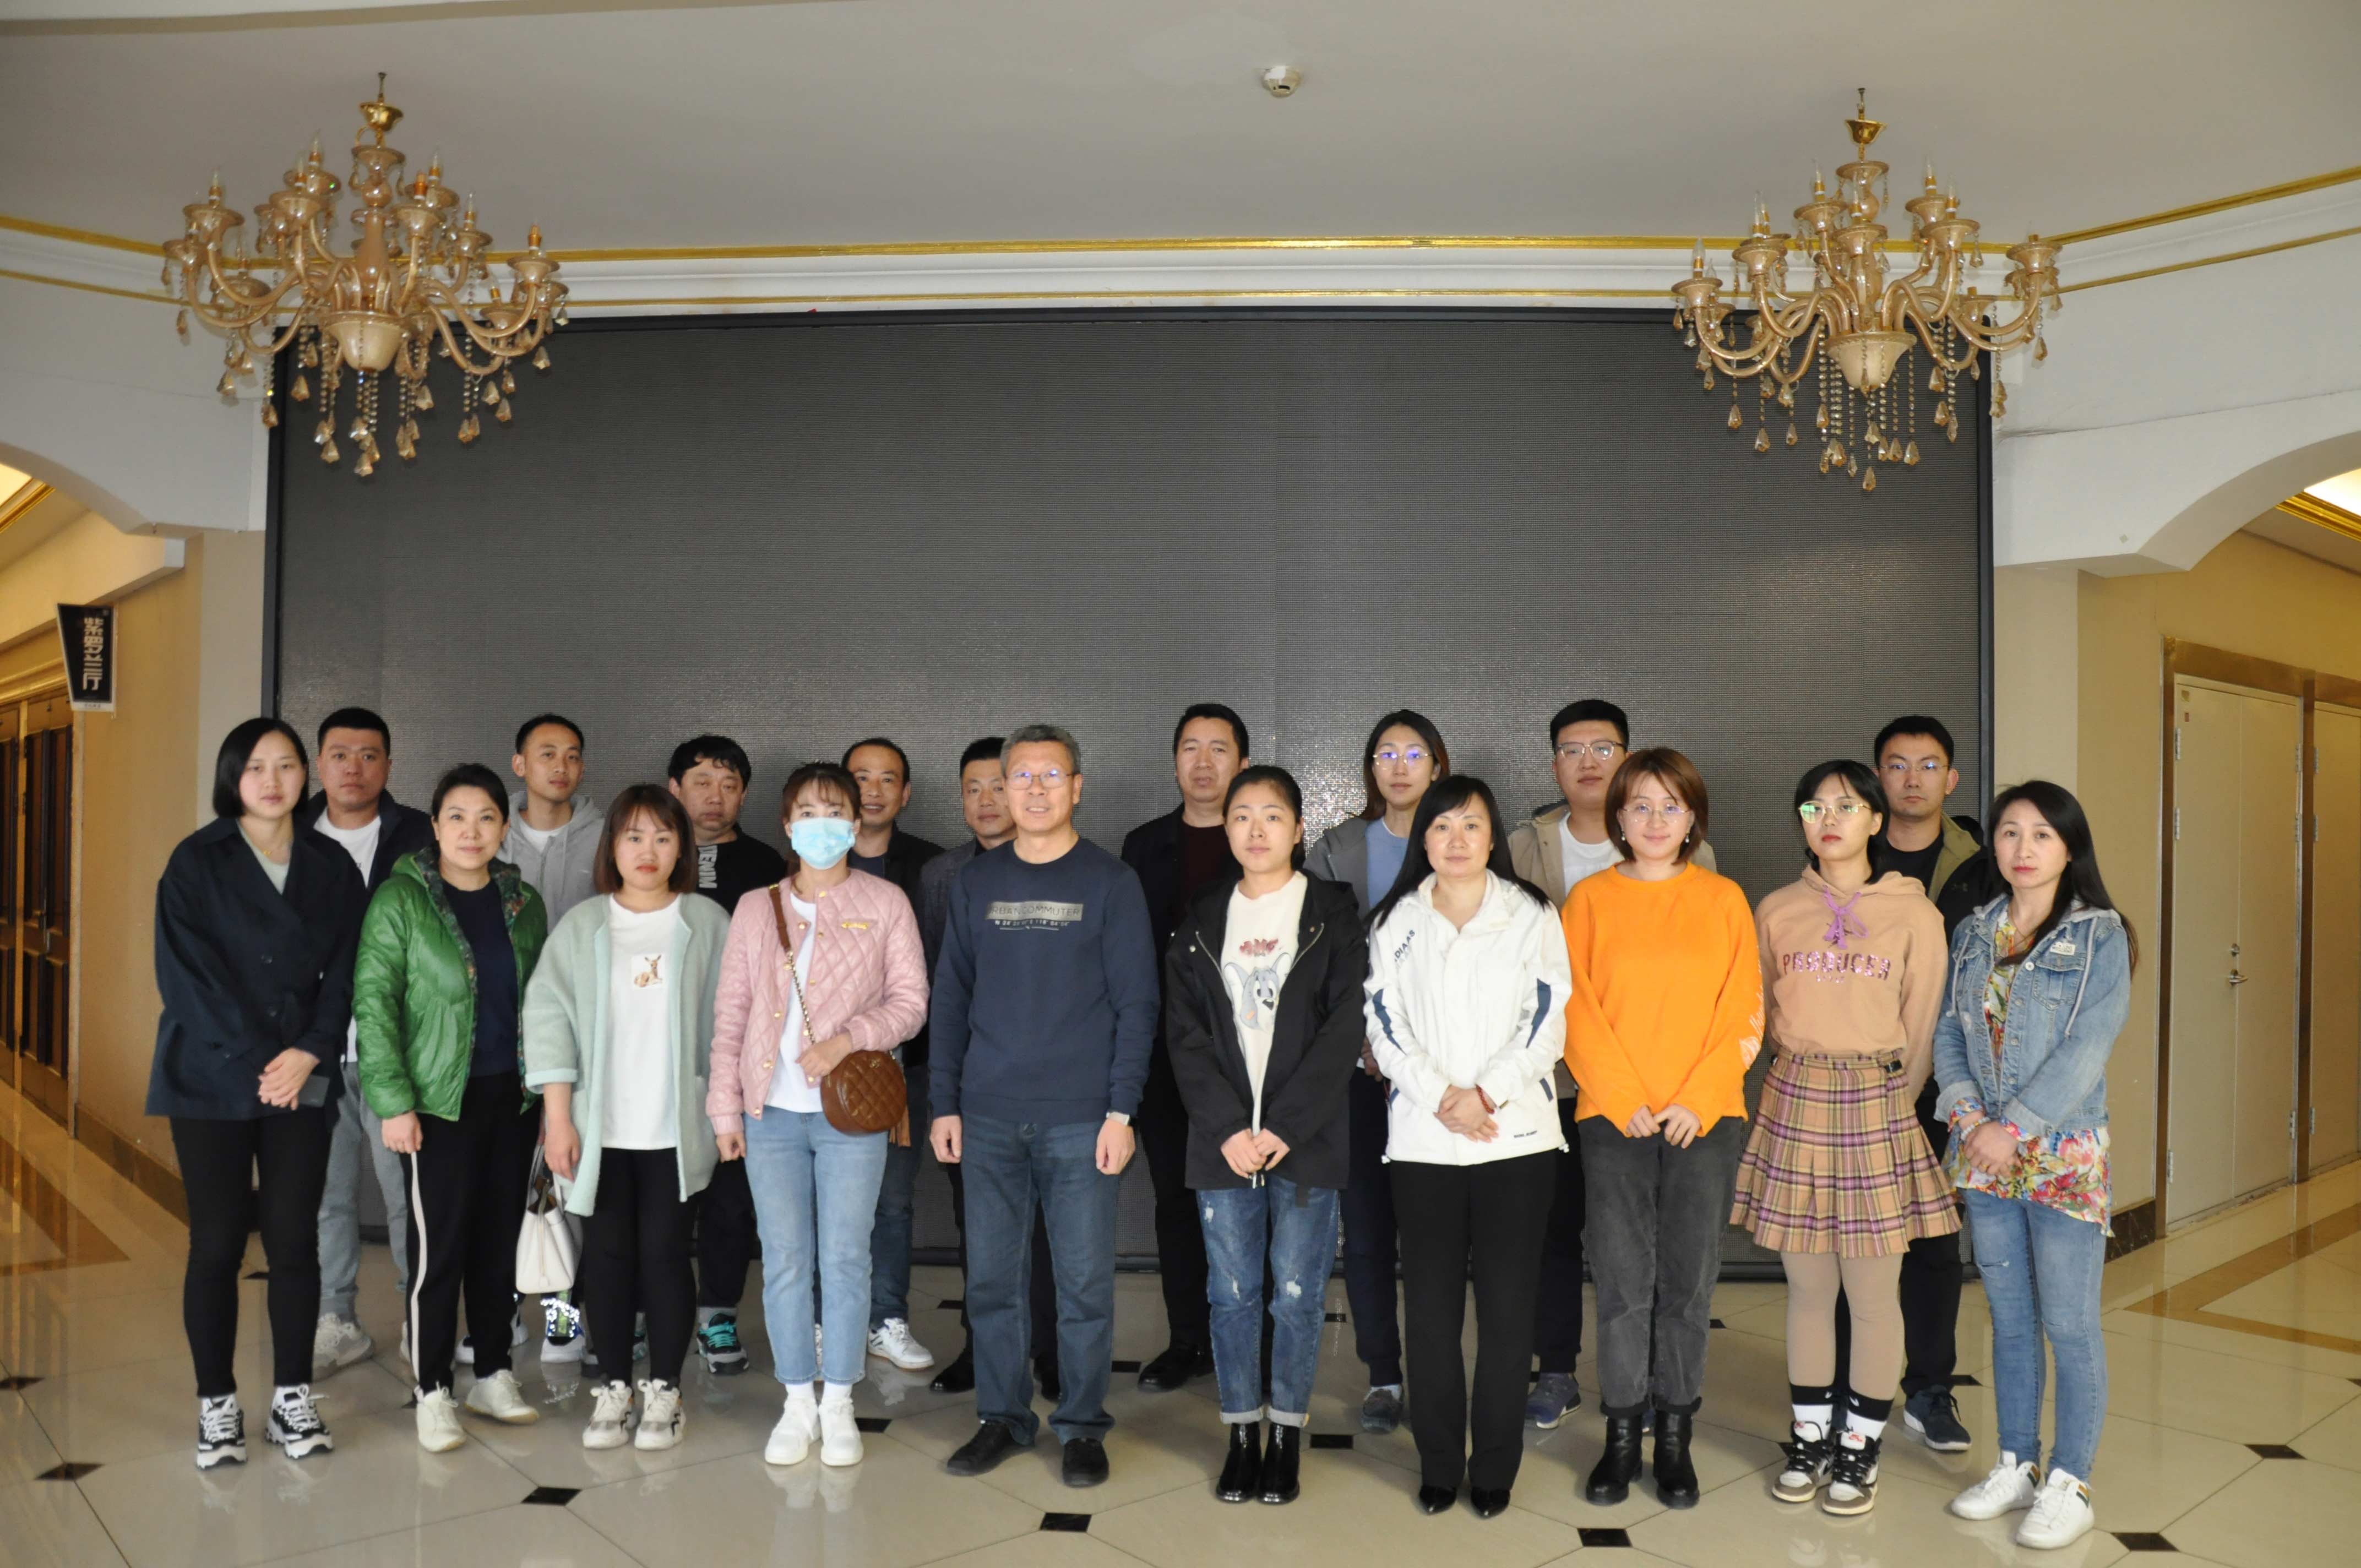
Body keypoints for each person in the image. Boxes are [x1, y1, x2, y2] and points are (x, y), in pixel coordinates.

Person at [931, 725, 1157, 1489]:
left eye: (1050, 775)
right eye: (1019, 775)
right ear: (1003, 788)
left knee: (1083, 1285)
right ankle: (1002, 1416)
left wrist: (1122, 1112)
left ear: (1077, 787)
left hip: (1081, 1118)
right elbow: (951, 1000)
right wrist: (945, 1104)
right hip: (987, 1114)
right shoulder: (976, 883)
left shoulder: (1111, 882)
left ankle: (1083, 1425)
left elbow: (1137, 1005)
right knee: (992, 1282)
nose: (1032, 789)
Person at [1732, 760, 1956, 1517]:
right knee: (1807, 1289)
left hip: (1877, 1102)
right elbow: (1761, 1015)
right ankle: (1809, 1438)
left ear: (1874, 820)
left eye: (1847, 806)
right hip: (1796, 1096)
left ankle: (1860, 1447)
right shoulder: (1776, 909)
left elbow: (1922, 1027)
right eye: (1814, 808)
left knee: (1871, 1294)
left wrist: (1889, 1103)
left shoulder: (1913, 915)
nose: (1829, 820)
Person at [149, 718, 367, 1469]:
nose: (272, 781)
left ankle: (291, 1396)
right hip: (210, 1075)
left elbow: (348, 971)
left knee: (293, 1238)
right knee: (215, 1243)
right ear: (232, 778)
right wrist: (264, 1057)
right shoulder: (196, 861)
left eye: (286, 765)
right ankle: (216, 1402)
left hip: (302, 1073)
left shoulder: (331, 865)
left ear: (305, 776)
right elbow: (186, 979)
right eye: (255, 767)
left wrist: (310, 1050)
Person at [1503, 699, 1720, 1431]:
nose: (1589, 762)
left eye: (1604, 748)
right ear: (1554, 765)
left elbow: (1716, 985)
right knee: (1557, 1229)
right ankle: (1557, 1369)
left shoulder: (1699, 867)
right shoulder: (1524, 846)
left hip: (1660, 1090)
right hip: (1552, 1081)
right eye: (1572, 749)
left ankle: (1661, 1385)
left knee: (1658, 1246)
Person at [710, 761, 928, 1469]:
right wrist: (725, 1108)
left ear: (856, 823)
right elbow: (731, 1013)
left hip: (850, 1113)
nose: (822, 824)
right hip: (770, 1111)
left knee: (844, 1256)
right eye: (807, 812)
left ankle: (838, 1400)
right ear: (787, 824)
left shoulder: (886, 901)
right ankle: (796, 1399)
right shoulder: (756, 907)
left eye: (835, 811)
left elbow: (911, 1003)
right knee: (783, 1259)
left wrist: (847, 1039)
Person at [1364, 776, 1570, 1518]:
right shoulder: (1395, 920)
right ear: (1422, 838)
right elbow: (1382, 1022)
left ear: (1492, 837)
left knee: (1508, 1312)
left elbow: (1548, 1022)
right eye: (1442, 826)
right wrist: (1441, 1096)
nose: (1457, 840)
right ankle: (1439, 1462)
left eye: (1472, 825)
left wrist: (1484, 1094)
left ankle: (1494, 1467)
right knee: (1430, 1313)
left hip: (1514, 1141)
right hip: (1425, 1143)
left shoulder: (1531, 914)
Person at [1935, 782, 2133, 1553]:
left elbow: (2088, 1046)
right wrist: (1969, 1118)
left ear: (2070, 847)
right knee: (2010, 1317)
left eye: (2043, 834)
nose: (2023, 848)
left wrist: (2012, 1126)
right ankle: (2016, 1463)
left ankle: (2070, 1481)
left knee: (2070, 1323)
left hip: (2060, 1153)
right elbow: (1949, 1031)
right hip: (1984, 1151)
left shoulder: (2098, 935)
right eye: (2010, 832)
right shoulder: (1974, 930)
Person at [1562, 747, 1761, 1510]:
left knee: (1687, 1281)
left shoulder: (1723, 899)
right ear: (1618, 816)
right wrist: (1621, 1096)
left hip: (1702, 1121)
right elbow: (1573, 1008)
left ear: (1692, 819)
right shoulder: (1588, 901)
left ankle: (1674, 1436)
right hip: (1614, 1119)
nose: (1654, 820)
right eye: (1639, 805)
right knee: (1620, 1284)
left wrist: (1698, 1098)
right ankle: (1620, 1436)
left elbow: (1743, 1007)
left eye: (1670, 806)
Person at [1165, 766, 1364, 1506]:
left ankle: (1285, 1434)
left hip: (1305, 1137)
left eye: (1272, 815)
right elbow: (1183, 1033)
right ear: (1226, 829)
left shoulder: (1331, 913)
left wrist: (1282, 1124)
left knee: (1296, 1294)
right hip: (1222, 1143)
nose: (1256, 829)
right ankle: (1241, 1432)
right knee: (1231, 1294)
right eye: (1242, 815)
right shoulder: (1201, 916)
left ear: (1299, 829)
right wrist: (1227, 1127)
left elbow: (1344, 1029)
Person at [525, 785, 732, 1451]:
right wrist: (559, 1117)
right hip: (599, 1129)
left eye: (664, 837)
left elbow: (733, 1021)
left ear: (683, 848)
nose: (649, 851)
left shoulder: (708, 921)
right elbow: (547, 1018)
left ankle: (664, 1391)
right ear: (611, 846)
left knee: (666, 1256)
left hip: (676, 1128)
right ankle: (614, 1387)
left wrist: (726, 1108)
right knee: (608, 1257)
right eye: (634, 836)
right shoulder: (584, 924)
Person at [355, 764, 551, 1453]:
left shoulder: (523, 902)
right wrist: (393, 1101)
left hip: (511, 1099)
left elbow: (544, 1004)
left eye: (487, 817)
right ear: (435, 825)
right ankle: (432, 1388)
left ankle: (493, 1373)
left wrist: (549, 1095)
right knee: (438, 1251)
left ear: (505, 826)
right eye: (457, 817)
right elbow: (374, 1004)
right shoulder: (401, 900)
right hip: (436, 1105)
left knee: (499, 1244)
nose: (472, 831)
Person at [1843, 714, 2006, 1451]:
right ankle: (1845, 1384)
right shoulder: (1847, 852)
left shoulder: (1983, 866)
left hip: (1949, 1077)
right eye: (1897, 765)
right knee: (1851, 1235)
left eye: (1928, 765)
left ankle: (1931, 1388)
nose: (1913, 779)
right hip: (1859, 1074)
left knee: (1935, 1239)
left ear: (1952, 778)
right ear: (1878, 775)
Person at [1303, 709, 1448, 1435]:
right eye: (1386, 754)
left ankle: (1435, 1369)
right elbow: (1319, 959)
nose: (1399, 766)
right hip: (1358, 1071)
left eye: (1414, 753)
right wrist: (1363, 1041)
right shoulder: (1338, 848)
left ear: (1438, 766)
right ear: (1370, 769)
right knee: (1364, 1231)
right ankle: (1383, 1375)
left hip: (1438, 1072)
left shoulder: (1459, 841)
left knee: (1432, 1233)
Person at [917, 738, 1059, 1400]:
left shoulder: (1065, 867)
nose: (985, 801)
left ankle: (1050, 1351)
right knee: (979, 1226)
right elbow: (937, 984)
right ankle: (983, 1350)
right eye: (971, 789)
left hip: (1050, 1080)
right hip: (974, 1080)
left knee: (1052, 1228)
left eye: (997, 786)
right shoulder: (944, 875)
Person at [298, 706, 433, 1380]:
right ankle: (336, 1319)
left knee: (409, 1197)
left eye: (369, 754)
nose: (354, 767)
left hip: (396, 1053)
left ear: (389, 764)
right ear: (319, 763)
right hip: (312, 1051)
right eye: (340, 754)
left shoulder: (420, 835)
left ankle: (419, 1317)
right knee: (326, 1194)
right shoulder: (288, 833)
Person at [1119, 702, 1251, 1392]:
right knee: (1175, 1198)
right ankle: (1188, 1338)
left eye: (1218, 749)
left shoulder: (1260, 837)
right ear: (1174, 762)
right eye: (1190, 748)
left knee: (1247, 1199)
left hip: (1247, 1058)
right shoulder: (1142, 846)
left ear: (1243, 763)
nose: (1203, 762)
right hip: (1164, 1055)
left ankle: (1248, 1340)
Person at [666, 734, 787, 1378]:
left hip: (742, 1058)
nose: (715, 796)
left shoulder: (768, 864)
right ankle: (638, 1312)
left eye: (729, 784)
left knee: (731, 1197)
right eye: (701, 781)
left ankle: (717, 1313)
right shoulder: (650, 852)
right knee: (657, 1195)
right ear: (674, 788)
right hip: (659, 1058)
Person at [842, 737, 947, 1377]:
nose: (873, 790)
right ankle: (829, 1323)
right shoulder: (810, 863)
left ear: (905, 793)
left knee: (892, 1200)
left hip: (905, 1061)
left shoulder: (930, 866)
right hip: (824, 1066)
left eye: (887, 779)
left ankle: (886, 1319)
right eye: (860, 777)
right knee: (827, 1201)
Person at [505, 715, 605, 923]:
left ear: (582, 771)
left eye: (572, 757)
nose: (561, 767)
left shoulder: (606, 838)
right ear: (519, 765)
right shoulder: (494, 834)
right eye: (548, 755)